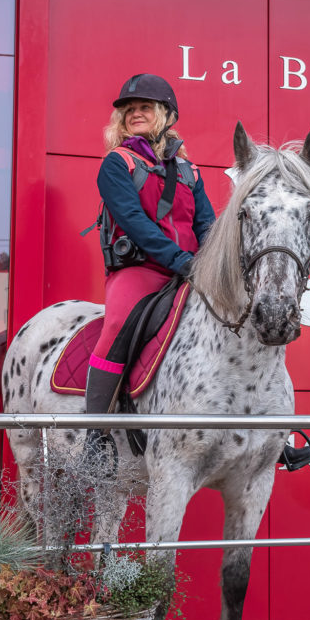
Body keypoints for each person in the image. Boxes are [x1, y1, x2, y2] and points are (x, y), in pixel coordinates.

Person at [84, 74, 215, 470]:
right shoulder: (116, 164)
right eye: (129, 110)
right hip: (141, 271)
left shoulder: (190, 171)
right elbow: (136, 222)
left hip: (191, 270)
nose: (135, 114)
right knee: (118, 324)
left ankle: (270, 434)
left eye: (145, 107)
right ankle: (95, 435)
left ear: (166, 115)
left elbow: (207, 224)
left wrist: (212, 263)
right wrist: (179, 260)